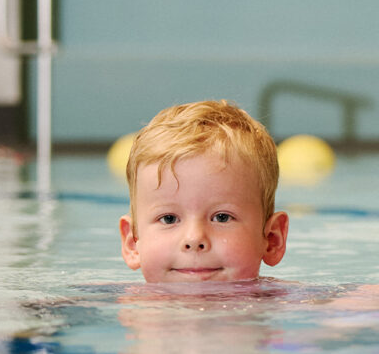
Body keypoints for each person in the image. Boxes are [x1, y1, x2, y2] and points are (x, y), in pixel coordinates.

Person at [119, 100, 289, 283]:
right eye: (169, 218)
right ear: (132, 243)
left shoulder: (288, 301)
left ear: (272, 240)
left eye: (222, 217)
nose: (194, 238)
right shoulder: (111, 299)